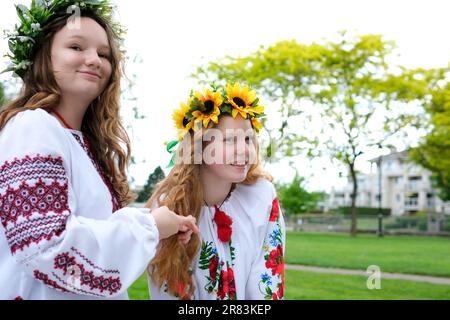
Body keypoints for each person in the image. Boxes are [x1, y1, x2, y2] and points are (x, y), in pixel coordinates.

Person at [0, 0, 198, 300]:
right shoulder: (33, 126)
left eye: (103, 54)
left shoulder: (81, 143)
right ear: (43, 57)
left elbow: (90, 233)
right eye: (77, 47)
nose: (94, 60)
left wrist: (159, 225)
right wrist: (149, 226)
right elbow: (44, 246)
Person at [147, 83, 285, 300]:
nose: (244, 150)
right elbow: (171, 288)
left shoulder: (262, 196)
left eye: (248, 138)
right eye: (230, 140)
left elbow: (267, 277)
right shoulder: (170, 208)